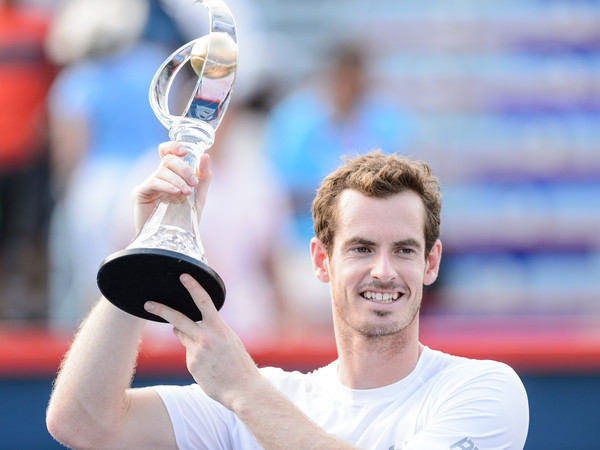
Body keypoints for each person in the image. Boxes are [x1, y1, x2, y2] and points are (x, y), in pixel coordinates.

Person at [46, 142, 529, 449]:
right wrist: (147, 251)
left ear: (431, 262)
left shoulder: (482, 389)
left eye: (404, 250)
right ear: (321, 260)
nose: (384, 271)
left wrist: (244, 391)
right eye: (361, 248)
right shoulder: (264, 397)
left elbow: (245, 394)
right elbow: (83, 423)